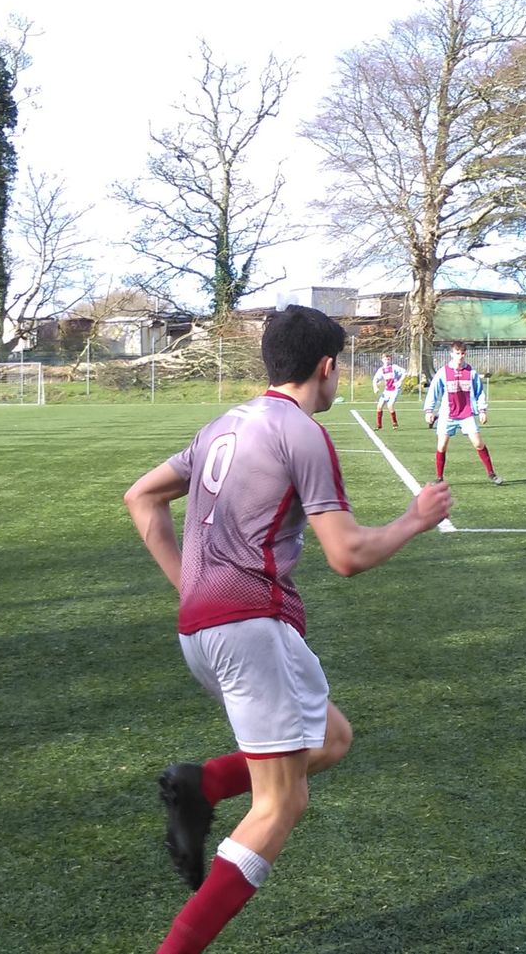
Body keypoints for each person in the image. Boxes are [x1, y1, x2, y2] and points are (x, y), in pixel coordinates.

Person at [123, 306, 453, 953]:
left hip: (200, 630)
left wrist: (192, 587)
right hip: (250, 627)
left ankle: (204, 784)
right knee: (280, 803)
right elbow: (347, 554)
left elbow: (142, 497)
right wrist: (415, 519)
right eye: (341, 365)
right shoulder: (300, 432)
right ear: (326, 366)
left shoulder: (223, 425)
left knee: (330, 738)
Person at [423, 340, 502, 484]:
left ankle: (492, 474)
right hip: (448, 415)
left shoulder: (471, 372)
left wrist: (482, 410)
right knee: (442, 446)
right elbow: (433, 391)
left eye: (463, 353)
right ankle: (439, 477)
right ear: (451, 354)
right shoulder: (443, 372)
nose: (460, 356)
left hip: (466, 414)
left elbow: (479, 392)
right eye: (457, 353)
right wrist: (429, 410)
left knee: (478, 443)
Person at [371, 353, 407, 429]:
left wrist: (400, 381)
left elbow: (404, 372)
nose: (387, 361)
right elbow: (375, 379)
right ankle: (379, 425)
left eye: (388, 359)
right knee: (379, 406)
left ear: (390, 360)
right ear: (382, 360)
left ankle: (394, 423)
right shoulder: (381, 370)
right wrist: (375, 387)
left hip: (395, 389)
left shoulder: (394, 367)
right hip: (387, 390)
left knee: (390, 405)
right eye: (385, 359)